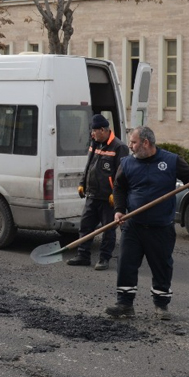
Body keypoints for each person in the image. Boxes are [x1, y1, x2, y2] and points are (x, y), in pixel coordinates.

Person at [106, 125, 189, 321]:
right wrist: (118, 211)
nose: (130, 146)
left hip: (161, 227)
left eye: (133, 142)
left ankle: (161, 306)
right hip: (133, 225)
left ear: (146, 143)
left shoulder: (171, 161)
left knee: (162, 266)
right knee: (126, 263)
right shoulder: (126, 164)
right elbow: (119, 189)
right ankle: (124, 304)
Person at [69, 114, 128, 270]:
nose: (92, 134)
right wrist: (82, 183)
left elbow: (121, 175)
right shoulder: (95, 144)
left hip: (108, 198)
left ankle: (104, 258)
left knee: (108, 230)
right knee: (85, 225)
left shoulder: (119, 147)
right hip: (92, 194)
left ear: (103, 130)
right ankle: (83, 255)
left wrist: (115, 194)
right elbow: (89, 166)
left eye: (94, 131)